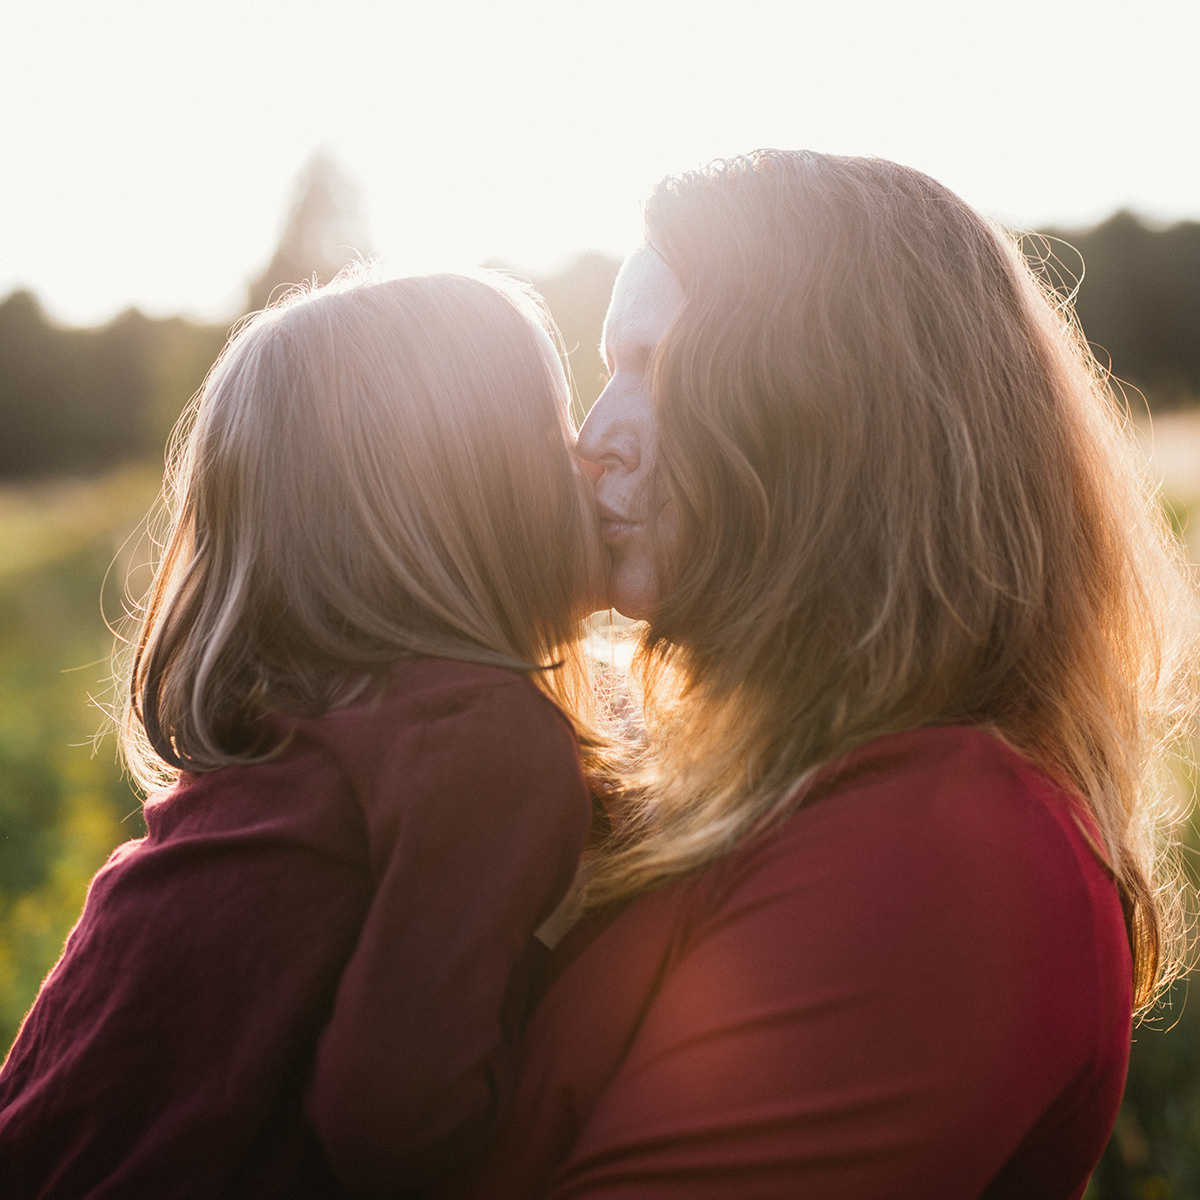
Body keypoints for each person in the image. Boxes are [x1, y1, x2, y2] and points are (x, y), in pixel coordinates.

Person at [442, 152, 1198, 1199]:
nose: (593, 440)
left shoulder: (946, 855)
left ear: (832, 415)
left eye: (655, 370)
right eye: (602, 371)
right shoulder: (753, 797)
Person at [0, 267, 607, 1197]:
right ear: (478, 489)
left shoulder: (299, 743)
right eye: (556, 433)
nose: (592, 460)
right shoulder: (483, 737)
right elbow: (396, 1120)